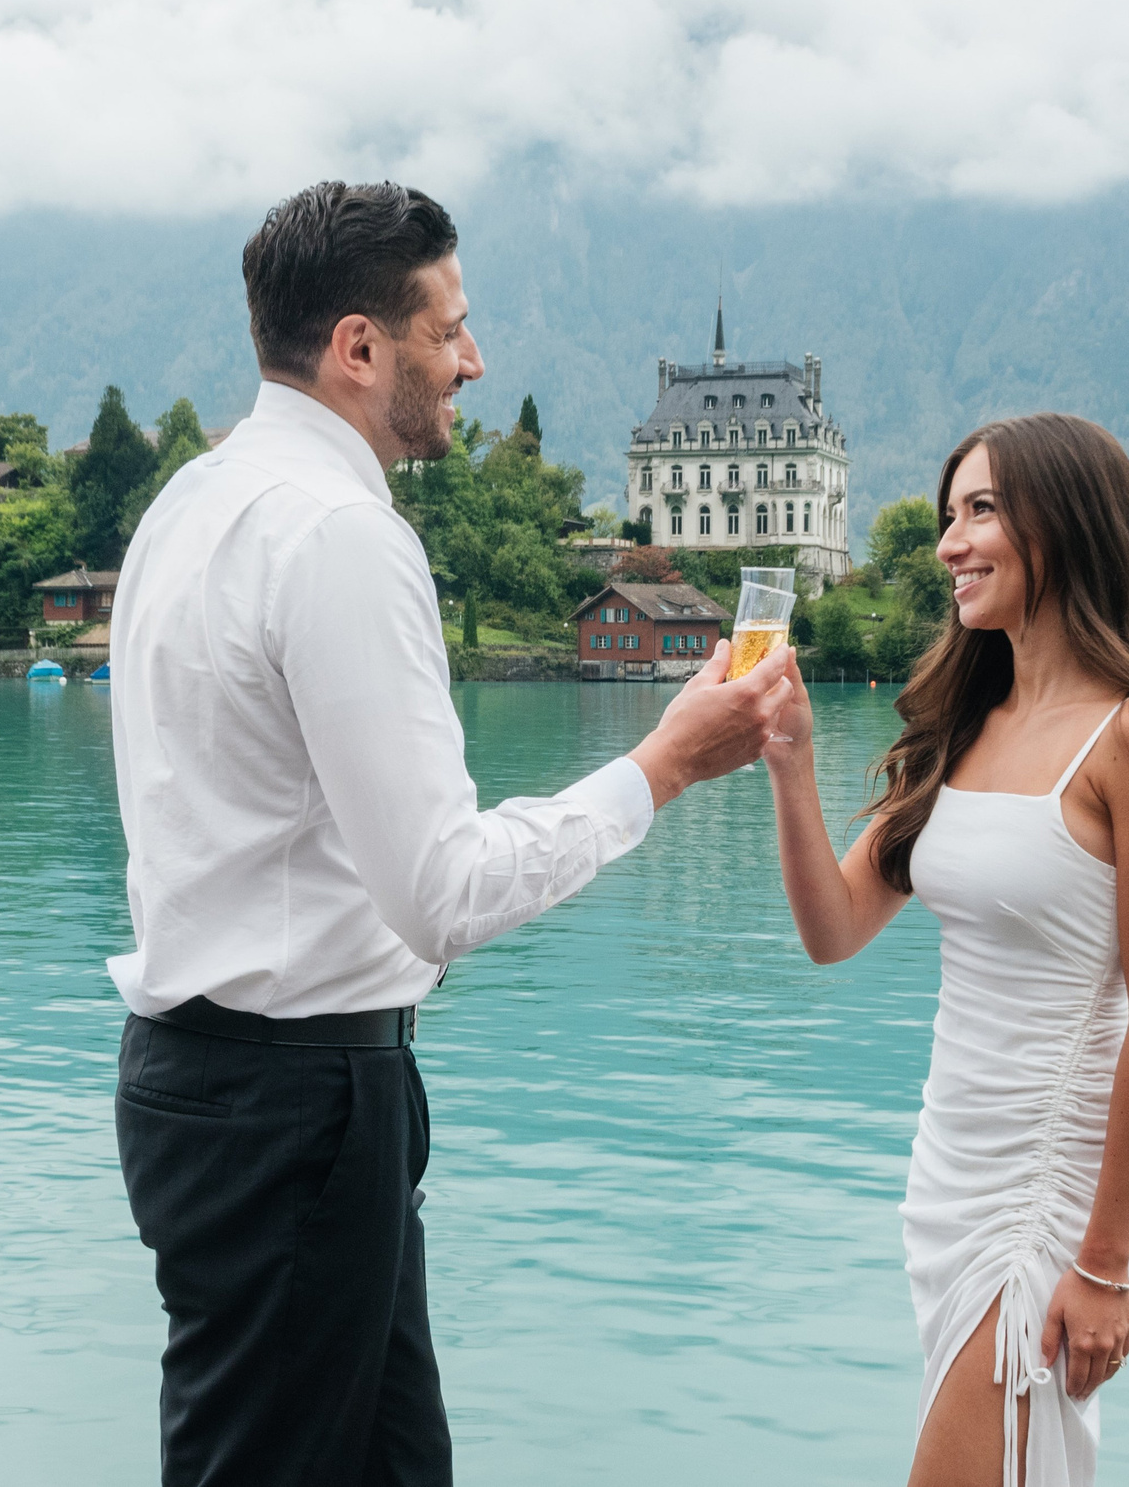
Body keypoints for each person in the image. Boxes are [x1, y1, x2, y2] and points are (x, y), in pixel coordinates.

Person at [106, 180, 790, 1487]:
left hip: (209, 1084)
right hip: (298, 1105)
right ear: (360, 347)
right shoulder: (343, 535)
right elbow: (442, 893)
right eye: (450, 328)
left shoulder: (187, 510)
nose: (473, 360)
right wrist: (663, 765)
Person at [758, 413, 1129, 1487]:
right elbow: (833, 930)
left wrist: (1103, 1263)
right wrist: (789, 763)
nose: (947, 543)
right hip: (949, 1174)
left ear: (1064, 527)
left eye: (979, 510)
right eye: (946, 515)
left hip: (1050, 1191)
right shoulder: (965, 721)